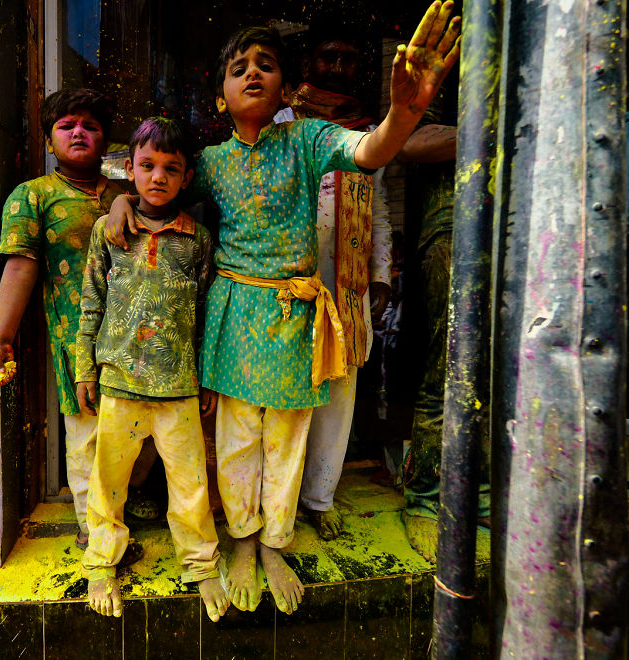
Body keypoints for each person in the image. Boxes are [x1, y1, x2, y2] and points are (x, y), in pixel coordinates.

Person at [106, 1, 461, 614]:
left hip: (295, 313)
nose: (251, 74)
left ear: (285, 85)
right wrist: (118, 203)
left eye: (264, 65)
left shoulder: (307, 138)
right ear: (220, 92)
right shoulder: (209, 162)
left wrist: (404, 112)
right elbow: (143, 177)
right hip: (233, 308)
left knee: (289, 437)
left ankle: (276, 542)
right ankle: (242, 541)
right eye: (238, 66)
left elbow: (371, 153)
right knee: (239, 437)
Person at [0, 88, 153, 557]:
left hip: (136, 340)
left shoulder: (126, 196)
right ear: (48, 140)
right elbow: (20, 267)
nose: (79, 131)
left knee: (138, 436)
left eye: (91, 126)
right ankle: (92, 528)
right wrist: (1, 337)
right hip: (75, 340)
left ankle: (122, 501)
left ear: (106, 142)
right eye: (66, 125)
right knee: (87, 438)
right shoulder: (33, 196)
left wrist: (124, 201)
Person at [75, 117, 229, 622]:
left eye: (171, 168)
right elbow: (91, 302)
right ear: (130, 170)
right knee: (109, 481)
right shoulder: (109, 230)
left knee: (190, 486)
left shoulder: (199, 240)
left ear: (186, 178)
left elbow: (207, 313)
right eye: (147, 166)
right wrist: (85, 370)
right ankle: (101, 562)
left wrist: (206, 376)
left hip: (179, 388)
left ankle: (202, 566)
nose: (158, 176)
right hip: (119, 382)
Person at [275, 27, 392, 541]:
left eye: (349, 56)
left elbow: (380, 211)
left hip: (345, 281)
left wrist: (380, 276)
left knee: (339, 390)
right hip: (285, 278)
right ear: (309, 62)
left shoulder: (370, 133)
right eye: (330, 53)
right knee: (285, 387)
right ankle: (277, 501)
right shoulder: (281, 121)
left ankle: (319, 499)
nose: (339, 65)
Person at [397, 88, 490, 563]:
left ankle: (482, 493)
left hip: (516, 226)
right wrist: (497, 134)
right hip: (454, 227)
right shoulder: (464, 59)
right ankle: (426, 496)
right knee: (446, 367)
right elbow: (409, 140)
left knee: (504, 371)